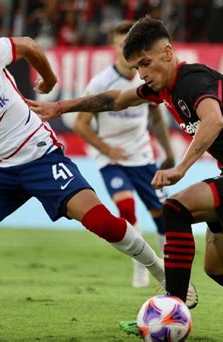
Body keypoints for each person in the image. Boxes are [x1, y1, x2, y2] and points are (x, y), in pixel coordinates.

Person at [0, 19, 197, 335]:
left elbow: (28, 45)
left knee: (103, 222)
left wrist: (48, 80)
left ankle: (163, 275)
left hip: (41, 156)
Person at [27, 16, 223, 337]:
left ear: (167, 53)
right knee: (219, 267)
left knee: (175, 208)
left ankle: (172, 306)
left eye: (146, 63)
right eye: (136, 67)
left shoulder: (193, 80)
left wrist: (180, 168)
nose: (141, 73)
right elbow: (116, 99)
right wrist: (61, 107)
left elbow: (213, 121)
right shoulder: (163, 88)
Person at [73, 20, 175, 288]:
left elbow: (156, 118)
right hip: (112, 159)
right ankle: (142, 266)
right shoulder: (100, 83)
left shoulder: (147, 77)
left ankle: (167, 270)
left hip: (142, 156)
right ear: (114, 46)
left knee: (162, 215)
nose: (123, 50)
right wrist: (107, 149)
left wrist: (167, 150)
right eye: (119, 45)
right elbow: (80, 125)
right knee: (126, 207)